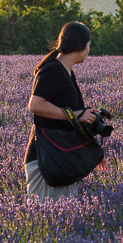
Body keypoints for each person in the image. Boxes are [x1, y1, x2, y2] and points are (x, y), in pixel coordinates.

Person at [25, 21, 99, 200]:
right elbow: (35, 105)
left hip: (62, 156)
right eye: (89, 46)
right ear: (80, 46)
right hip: (47, 158)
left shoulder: (66, 72)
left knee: (62, 218)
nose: (89, 51)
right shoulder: (53, 71)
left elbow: (69, 117)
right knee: (44, 218)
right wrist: (75, 115)